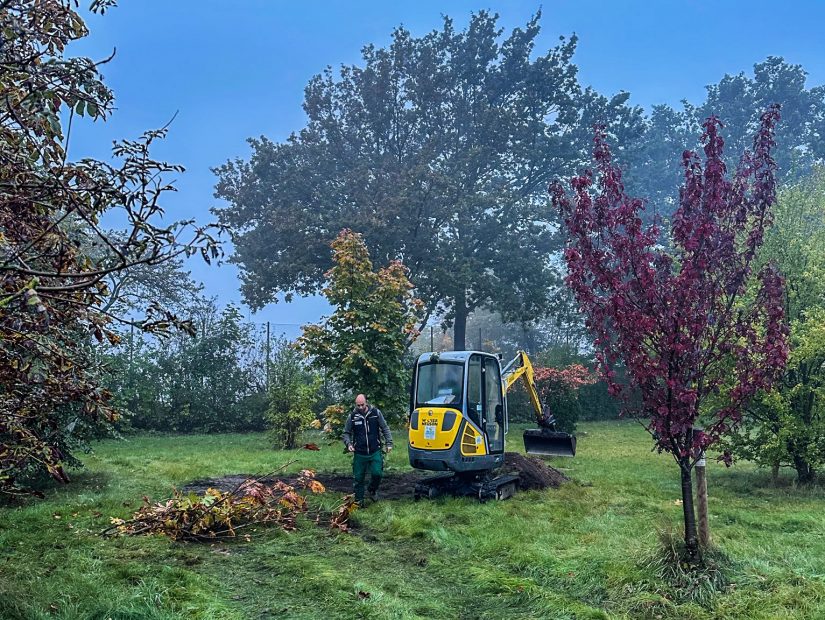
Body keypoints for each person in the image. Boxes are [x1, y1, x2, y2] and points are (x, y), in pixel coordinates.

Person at [342, 394, 393, 505]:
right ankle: (359, 501)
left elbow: (385, 428)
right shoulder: (352, 416)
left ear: (366, 403)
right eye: (358, 405)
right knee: (358, 478)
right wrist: (349, 444)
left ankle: (372, 490)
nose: (360, 407)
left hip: (375, 451)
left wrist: (389, 443)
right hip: (360, 453)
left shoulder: (376, 413)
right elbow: (346, 433)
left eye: (362, 405)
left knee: (377, 474)